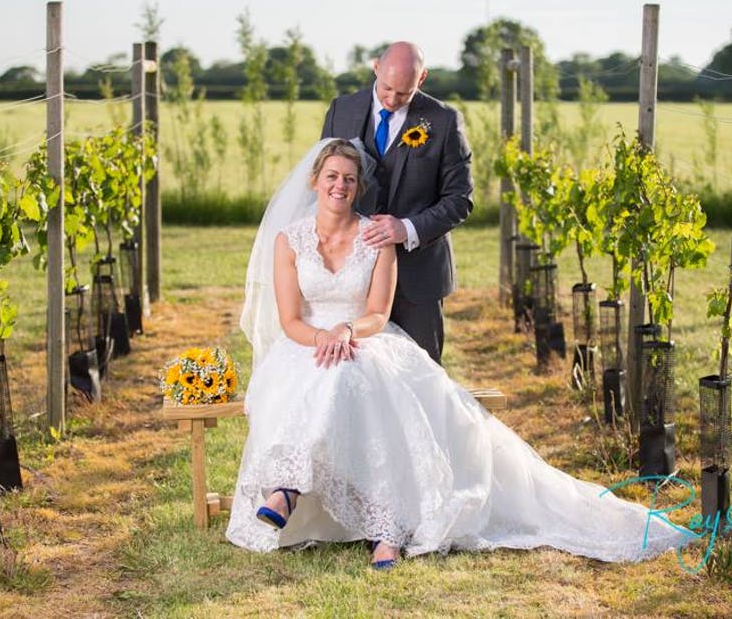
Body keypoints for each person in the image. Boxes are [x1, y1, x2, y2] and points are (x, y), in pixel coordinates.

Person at [227, 138, 696, 569]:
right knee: (325, 377)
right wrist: (323, 338)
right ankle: (334, 508)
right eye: (331, 176)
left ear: (359, 187)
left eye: (349, 179)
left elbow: (376, 313)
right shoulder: (289, 240)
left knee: (352, 377)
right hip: (307, 344)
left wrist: (346, 331)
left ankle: (335, 510)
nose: (340, 186)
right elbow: (290, 321)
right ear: (315, 181)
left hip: (364, 339)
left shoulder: (376, 237)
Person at [320, 41, 473, 363]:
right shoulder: (341, 110)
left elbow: (460, 199)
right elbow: (325, 180)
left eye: (403, 94)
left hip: (417, 279)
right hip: (350, 277)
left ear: (422, 78)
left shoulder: (444, 121)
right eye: (386, 88)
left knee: (421, 375)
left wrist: (406, 228)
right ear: (375, 68)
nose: (391, 100)